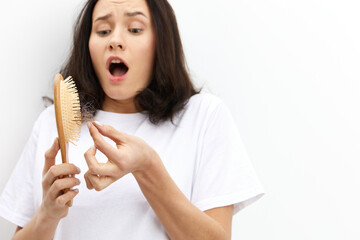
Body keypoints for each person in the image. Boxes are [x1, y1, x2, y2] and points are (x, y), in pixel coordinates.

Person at [0, 0, 265, 239]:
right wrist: (47, 215)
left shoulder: (203, 117)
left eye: (135, 29)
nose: (115, 40)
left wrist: (147, 167)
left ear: (161, 41)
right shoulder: (52, 123)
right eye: (103, 31)